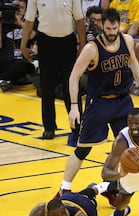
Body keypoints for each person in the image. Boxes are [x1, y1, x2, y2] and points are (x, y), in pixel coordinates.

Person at [54, 9, 139, 201]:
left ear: (119, 26)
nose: (111, 32)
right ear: (102, 26)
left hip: (123, 101)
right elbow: (74, 76)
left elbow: (133, 62)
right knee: (84, 148)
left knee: (130, 149)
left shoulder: (127, 40)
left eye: (114, 28)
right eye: (108, 28)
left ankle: (109, 187)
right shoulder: (92, 48)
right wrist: (75, 106)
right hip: (99, 102)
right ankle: (64, 189)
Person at [21, 0, 86, 141]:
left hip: (67, 42)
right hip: (45, 42)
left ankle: (77, 127)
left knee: (71, 85)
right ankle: (49, 127)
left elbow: (79, 19)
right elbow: (29, 20)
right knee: (47, 86)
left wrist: (82, 44)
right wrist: (23, 43)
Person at [0, 0, 37, 92]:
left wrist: (20, 23)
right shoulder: (4, 23)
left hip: (21, 64)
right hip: (4, 62)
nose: (18, 10)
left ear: (26, 10)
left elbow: (32, 35)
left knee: (23, 63)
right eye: (15, 7)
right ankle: (5, 80)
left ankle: (3, 79)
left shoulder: (31, 23)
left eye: (21, 7)